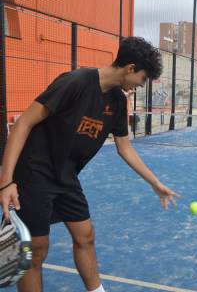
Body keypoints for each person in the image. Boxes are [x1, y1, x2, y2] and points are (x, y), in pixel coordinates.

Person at [0, 37, 179, 292]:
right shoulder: (75, 82)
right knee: (35, 251)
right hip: (34, 174)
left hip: (67, 177)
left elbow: (125, 148)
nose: (142, 84)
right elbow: (23, 124)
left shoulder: (118, 102)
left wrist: (156, 184)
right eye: (143, 77)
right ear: (130, 68)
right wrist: (6, 182)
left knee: (86, 236)